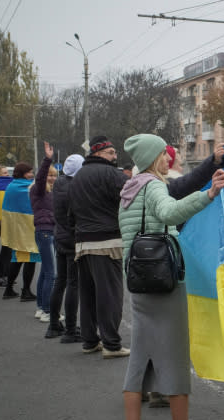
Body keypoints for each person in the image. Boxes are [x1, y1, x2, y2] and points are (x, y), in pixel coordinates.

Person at [118, 133, 223, 420]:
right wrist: (207, 195)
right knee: (175, 360)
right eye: (163, 154)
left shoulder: (128, 189)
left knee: (138, 360)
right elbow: (167, 213)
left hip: (138, 282)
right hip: (163, 282)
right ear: (151, 158)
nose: (169, 158)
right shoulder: (152, 185)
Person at [68, 135, 131, 358]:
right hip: (108, 242)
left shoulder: (77, 177)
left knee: (88, 296)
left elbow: (69, 213)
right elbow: (132, 199)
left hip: (82, 243)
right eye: (111, 153)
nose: (116, 156)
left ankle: (89, 341)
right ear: (99, 153)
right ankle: (111, 344)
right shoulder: (112, 174)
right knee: (110, 295)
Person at [49, 154, 84, 343]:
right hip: (72, 239)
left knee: (60, 281)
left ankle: (54, 323)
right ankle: (71, 328)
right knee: (73, 283)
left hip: (60, 236)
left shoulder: (59, 183)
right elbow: (76, 215)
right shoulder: (75, 187)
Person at [1, 162, 39, 304]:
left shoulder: (11, 186)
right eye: (29, 172)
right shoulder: (28, 187)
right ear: (23, 173)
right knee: (31, 259)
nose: (32, 174)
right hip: (28, 229)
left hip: (16, 231)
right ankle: (26, 291)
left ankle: (9, 289)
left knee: (16, 259)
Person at [30, 143, 58, 324]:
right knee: (51, 274)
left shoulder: (51, 192)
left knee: (45, 272)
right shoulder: (38, 189)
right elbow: (40, 178)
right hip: (45, 232)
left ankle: (41, 308)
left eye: (55, 175)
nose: (52, 178)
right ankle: (47, 310)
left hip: (49, 232)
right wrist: (47, 160)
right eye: (50, 175)